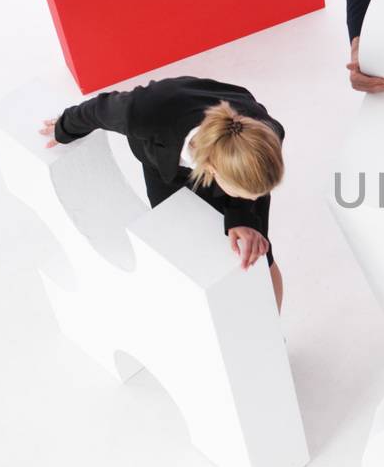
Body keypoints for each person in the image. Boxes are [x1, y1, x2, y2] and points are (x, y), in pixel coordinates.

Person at [39, 77, 288, 310]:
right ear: (211, 170)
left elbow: (251, 193)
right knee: (179, 238)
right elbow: (99, 110)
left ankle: (272, 336)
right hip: (164, 162)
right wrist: (64, 126)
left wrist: (243, 215)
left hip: (233, 164)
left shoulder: (267, 134)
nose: (258, 200)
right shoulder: (147, 111)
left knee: (259, 257)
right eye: (248, 194)